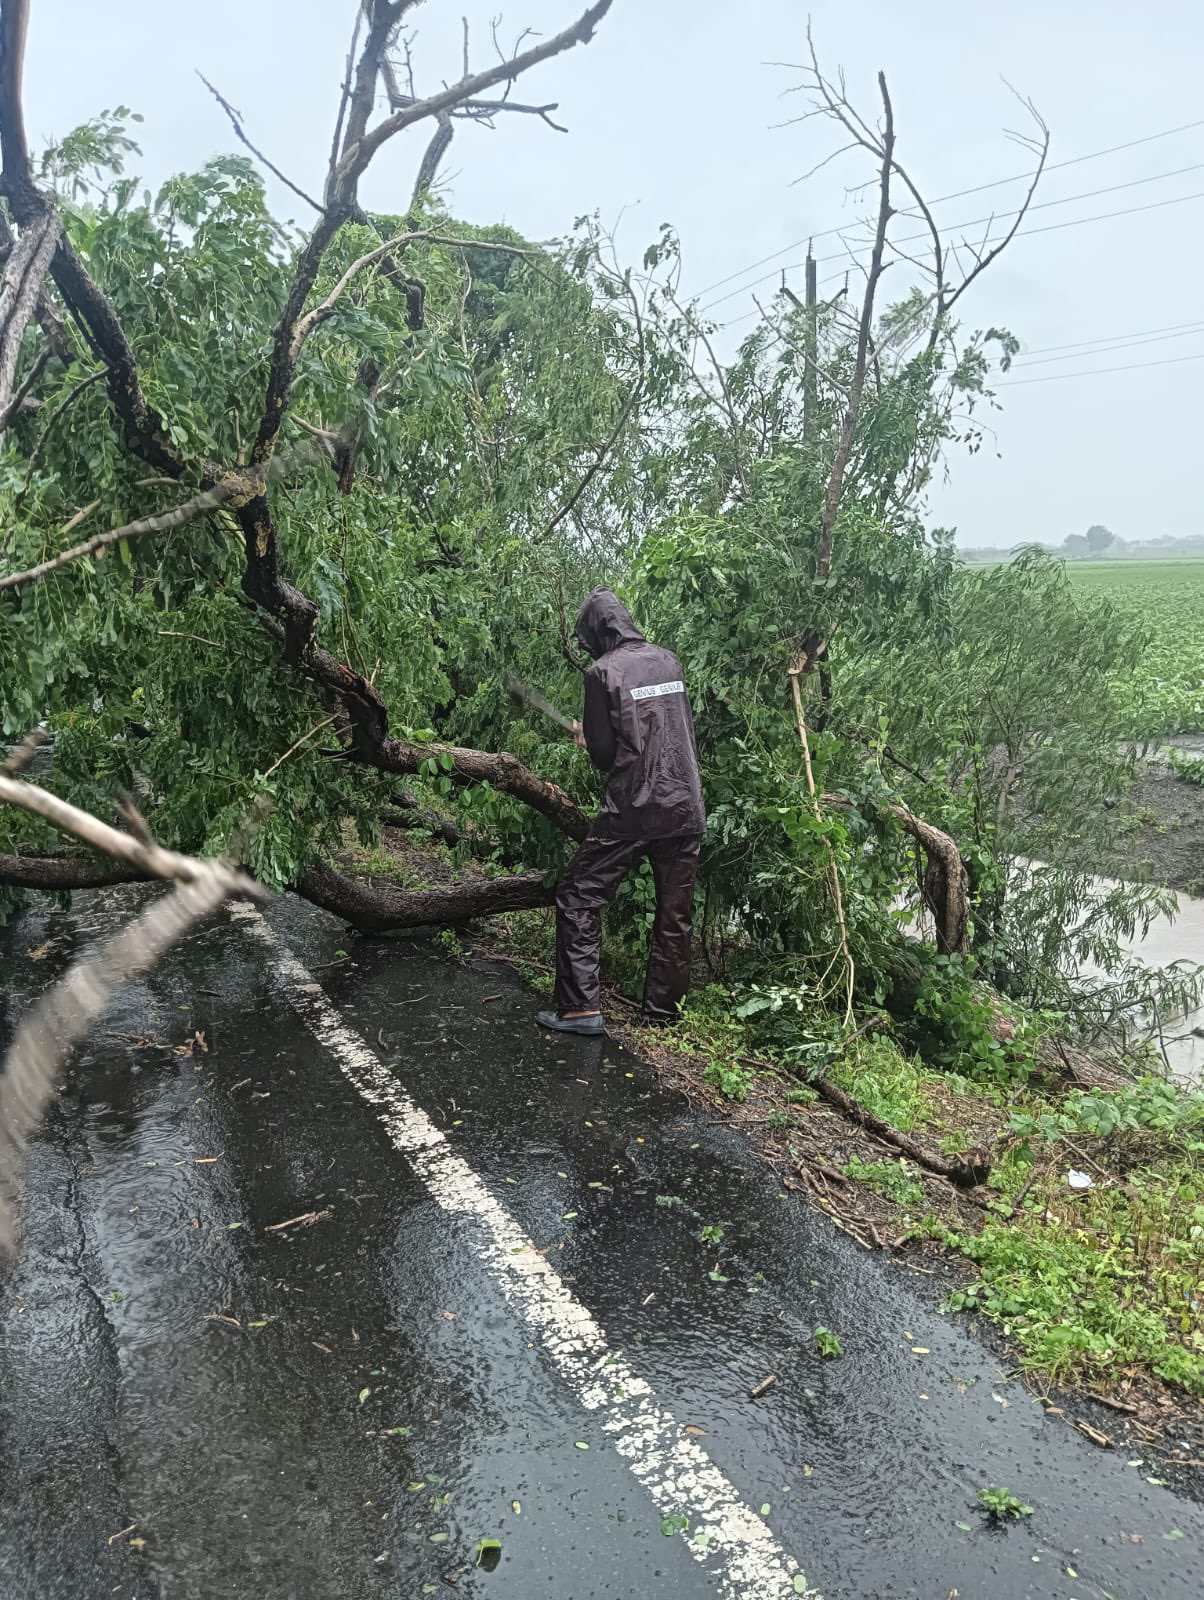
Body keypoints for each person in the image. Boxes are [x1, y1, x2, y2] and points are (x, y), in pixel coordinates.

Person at [536, 587, 706, 1037]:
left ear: (595, 631)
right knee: (675, 914)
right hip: (686, 805)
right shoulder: (669, 661)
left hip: (636, 806)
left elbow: (605, 755)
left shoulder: (601, 672)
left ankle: (578, 1008)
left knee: (578, 893)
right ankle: (663, 1014)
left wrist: (589, 738)